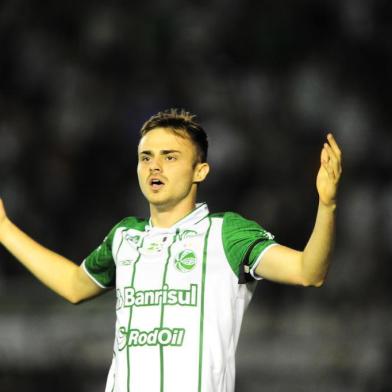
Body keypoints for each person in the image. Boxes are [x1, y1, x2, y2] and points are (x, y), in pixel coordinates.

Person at [0, 108, 342, 392]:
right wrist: (4, 229)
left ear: (200, 171)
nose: (155, 166)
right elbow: (74, 285)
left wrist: (326, 206)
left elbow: (308, 272)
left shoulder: (226, 234)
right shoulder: (124, 237)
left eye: (170, 156)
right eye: (145, 157)